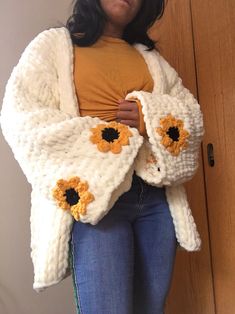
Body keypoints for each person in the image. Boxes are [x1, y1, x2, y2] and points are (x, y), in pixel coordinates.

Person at [0, 0, 205, 313]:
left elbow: (190, 116)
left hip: (155, 203)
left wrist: (150, 115)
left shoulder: (150, 58)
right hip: (96, 202)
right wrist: (105, 142)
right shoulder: (53, 45)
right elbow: (21, 118)